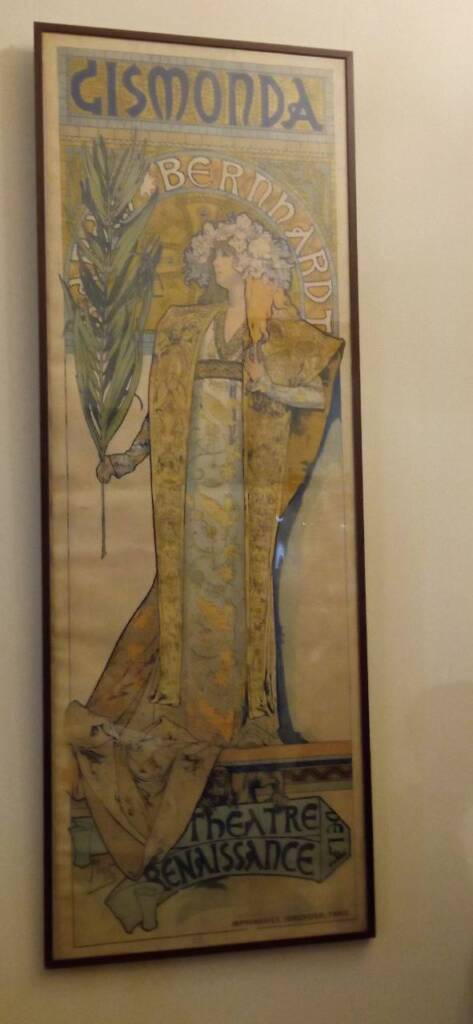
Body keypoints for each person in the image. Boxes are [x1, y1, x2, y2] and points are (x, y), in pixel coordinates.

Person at [66, 212, 344, 880]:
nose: (216, 266)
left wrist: (266, 379)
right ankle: (182, 721)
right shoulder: (185, 327)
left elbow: (312, 392)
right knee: (181, 605)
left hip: (242, 506)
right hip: (189, 499)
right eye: (214, 257)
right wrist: (128, 458)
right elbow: (163, 412)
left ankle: (228, 727)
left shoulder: (276, 332)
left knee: (235, 612)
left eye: (226, 257)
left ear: (251, 265)